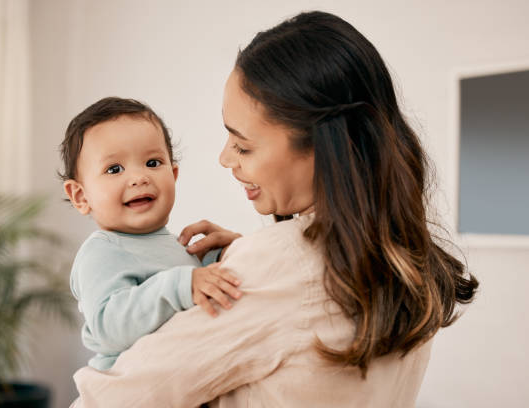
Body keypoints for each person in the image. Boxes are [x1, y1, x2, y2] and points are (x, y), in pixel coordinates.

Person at [70, 11, 479, 407]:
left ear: (323, 149)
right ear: (79, 194)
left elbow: (114, 398)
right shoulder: (408, 258)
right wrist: (246, 257)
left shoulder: (283, 266)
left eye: (243, 144)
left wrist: (262, 261)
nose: (225, 159)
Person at [59, 97, 243, 371]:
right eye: (114, 169)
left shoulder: (173, 246)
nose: (138, 177)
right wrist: (185, 283)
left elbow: (186, 303)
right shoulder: (103, 251)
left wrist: (227, 255)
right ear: (81, 196)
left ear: (174, 174)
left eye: (153, 163)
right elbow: (107, 327)